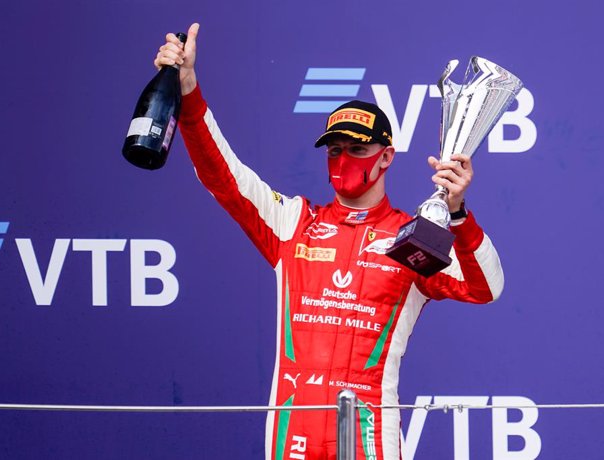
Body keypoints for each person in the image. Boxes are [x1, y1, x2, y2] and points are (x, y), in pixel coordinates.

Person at [155, 23, 504, 460]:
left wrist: (458, 214)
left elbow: (485, 288)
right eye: (334, 150)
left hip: (370, 440)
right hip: (291, 439)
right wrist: (188, 91)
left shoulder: (412, 236)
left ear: (386, 157)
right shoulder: (293, 222)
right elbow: (223, 177)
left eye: (356, 149)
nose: (343, 160)